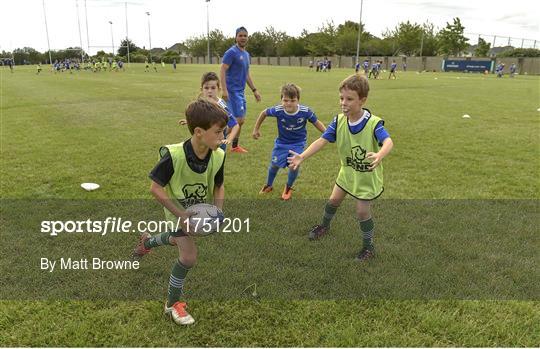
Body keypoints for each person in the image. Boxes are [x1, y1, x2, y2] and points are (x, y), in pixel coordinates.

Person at [132, 98, 228, 325]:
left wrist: (218, 212)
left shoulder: (218, 155)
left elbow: (219, 185)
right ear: (198, 132)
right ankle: (172, 304)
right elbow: (155, 188)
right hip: (177, 213)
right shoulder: (173, 156)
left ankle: (146, 242)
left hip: (196, 212)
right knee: (188, 256)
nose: (223, 137)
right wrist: (181, 215)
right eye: (218, 132)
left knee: (176, 240)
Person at [287, 74, 393, 262]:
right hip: (347, 172)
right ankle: (324, 226)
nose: (343, 103)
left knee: (362, 212)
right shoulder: (339, 121)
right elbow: (322, 140)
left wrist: (379, 154)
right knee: (333, 200)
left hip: (365, 177)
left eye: (349, 99)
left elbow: (388, 141)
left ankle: (368, 247)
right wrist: (302, 156)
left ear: (362, 100)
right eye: (341, 98)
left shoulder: (373, 123)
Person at [252, 83, 326, 200]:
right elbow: (263, 113)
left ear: (298, 100)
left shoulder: (305, 111)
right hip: (281, 143)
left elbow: (316, 122)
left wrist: (327, 134)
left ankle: (288, 187)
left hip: (298, 143)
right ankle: (269, 185)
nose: (289, 103)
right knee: (274, 165)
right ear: (281, 100)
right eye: (285, 100)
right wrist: (256, 129)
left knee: (293, 165)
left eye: (292, 100)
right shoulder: (278, 110)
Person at [220, 26, 261, 153]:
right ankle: (219, 142)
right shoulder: (231, 52)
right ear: (236, 37)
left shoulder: (246, 54)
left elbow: (246, 74)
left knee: (240, 121)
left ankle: (234, 146)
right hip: (232, 92)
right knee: (237, 120)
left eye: (245, 36)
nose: (243, 38)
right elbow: (222, 70)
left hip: (240, 92)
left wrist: (254, 90)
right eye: (240, 35)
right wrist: (224, 90)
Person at [179, 72, 240, 151]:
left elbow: (235, 125)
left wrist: (229, 139)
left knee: (216, 162)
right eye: (206, 88)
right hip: (205, 143)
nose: (209, 91)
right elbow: (201, 118)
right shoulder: (202, 103)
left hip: (218, 145)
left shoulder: (221, 106)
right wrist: (189, 121)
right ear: (202, 89)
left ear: (219, 89)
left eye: (213, 88)